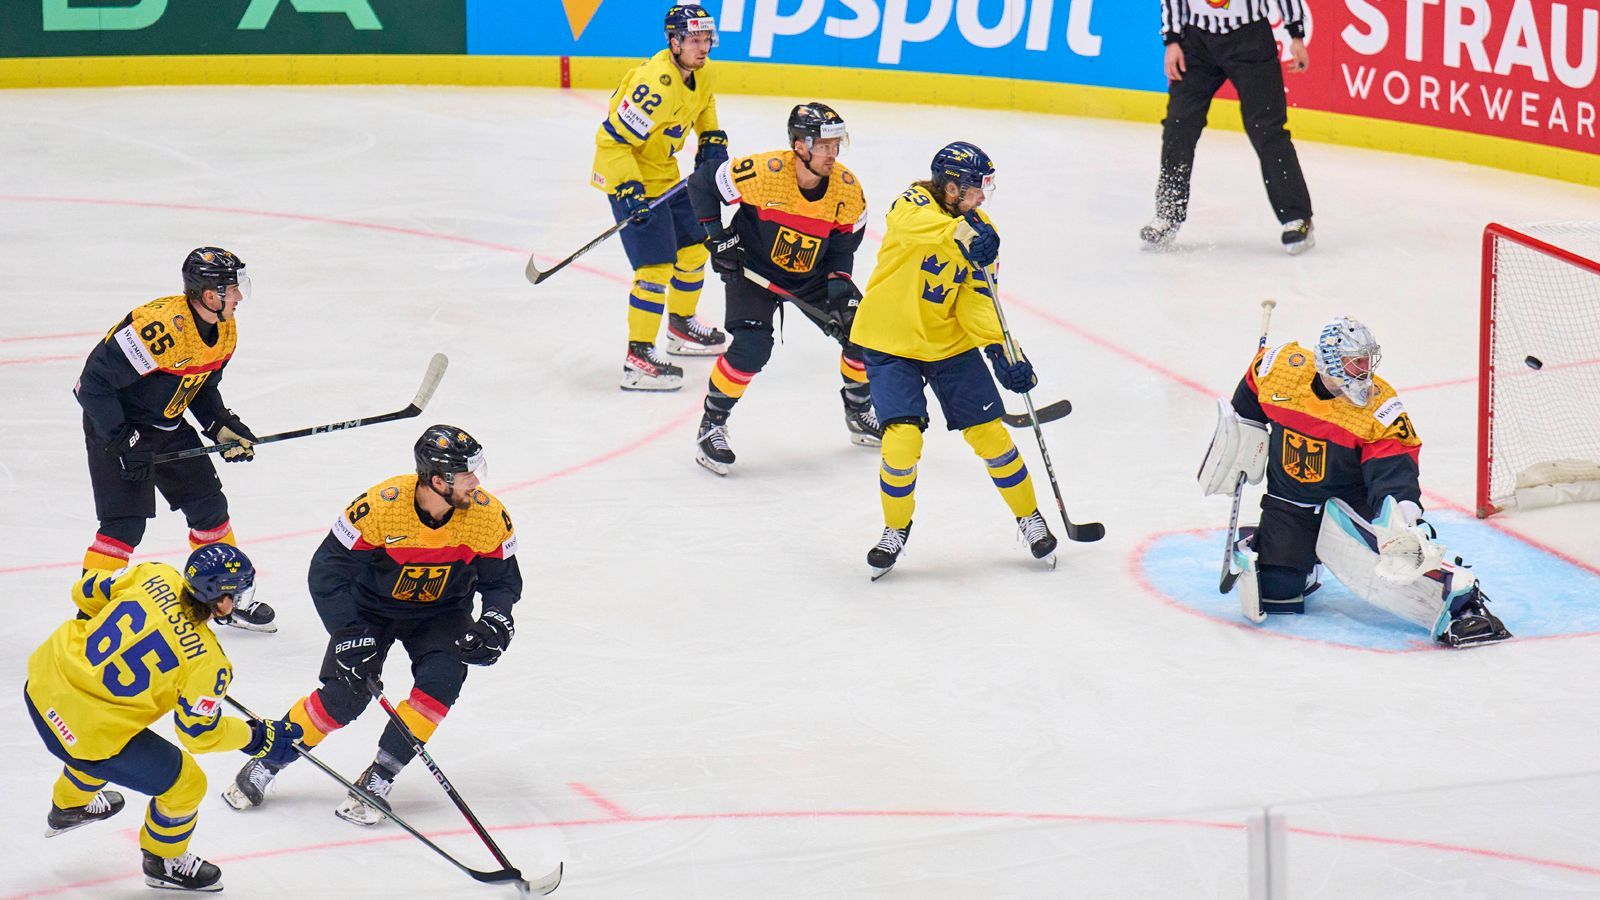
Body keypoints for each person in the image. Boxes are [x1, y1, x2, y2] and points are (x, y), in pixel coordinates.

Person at [224, 425, 522, 824]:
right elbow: (327, 572)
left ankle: (380, 775)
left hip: (441, 613)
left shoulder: (487, 517)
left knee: (442, 681)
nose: (477, 483)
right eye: (468, 474)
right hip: (371, 610)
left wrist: (495, 621)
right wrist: (347, 632)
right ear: (437, 480)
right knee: (344, 695)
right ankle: (270, 758)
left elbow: (502, 580)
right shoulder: (380, 508)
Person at [1199, 317, 1511, 646]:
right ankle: (1295, 559)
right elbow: (1250, 392)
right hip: (1290, 502)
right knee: (1278, 595)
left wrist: (1401, 515)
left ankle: (1463, 605)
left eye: (1367, 360)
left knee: (1396, 560)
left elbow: (1394, 466)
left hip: (1347, 505)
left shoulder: (1379, 405)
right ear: (1329, 363)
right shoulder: (1281, 370)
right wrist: (1241, 441)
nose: (1365, 370)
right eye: (1355, 361)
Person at [24, 545, 302, 891]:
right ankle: (164, 860)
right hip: (83, 732)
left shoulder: (155, 574)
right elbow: (199, 735)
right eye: (236, 592)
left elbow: (84, 591)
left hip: (42, 683)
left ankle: (69, 806)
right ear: (221, 600)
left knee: (106, 736)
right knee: (186, 783)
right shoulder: (209, 664)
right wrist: (256, 736)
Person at [848, 142, 1058, 578]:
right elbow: (914, 227)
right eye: (977, 189)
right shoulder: (913, 203)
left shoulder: (984, 233)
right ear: (950, 187)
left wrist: (1004, 351)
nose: (983, 197)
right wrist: (964, 237)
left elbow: (979, 301)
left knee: (991, 438)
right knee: (901, 442)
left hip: (949, 345)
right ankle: (895, 529)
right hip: (891, 343)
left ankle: (1030, 517)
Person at [73, 246, 276, 632]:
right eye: (232, 290)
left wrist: (220, 425)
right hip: (115, 425)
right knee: (124, 526)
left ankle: (222, 599)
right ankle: (88, 618)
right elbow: (92, 385)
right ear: (209, 295)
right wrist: (120, 439)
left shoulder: (224, 328)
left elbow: (200, 387)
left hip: (166, 425)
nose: (239, 297)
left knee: (211, 512)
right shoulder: (160, 329)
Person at [686, 101, 877, 474]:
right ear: (799, 146)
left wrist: (839, 282)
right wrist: (718, 237)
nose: (832, 154)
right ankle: (712, 424)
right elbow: (702, 184)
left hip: (811, 275)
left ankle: (858, 410)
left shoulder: (847, 188)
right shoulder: (764, 172)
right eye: (823, 146)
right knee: (753, 347)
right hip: (753, 269)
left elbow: (842, 244)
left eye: (835, 145)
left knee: (864, 331)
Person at [591, 3, 730, 391]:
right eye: (694, 40)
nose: (703, 48)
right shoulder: (653, 86)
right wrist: (628, 189)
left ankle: (681, 326)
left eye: (707, 40)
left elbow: (704, 104)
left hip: (666, 175)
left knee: (694, 249)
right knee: (654, 268)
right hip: (630, 177)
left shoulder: (702, 71)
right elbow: (611, 142)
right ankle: (638, 357)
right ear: (674, 41)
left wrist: (712, 138)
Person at [1142, 0, 1315, 254]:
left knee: (1267, 129)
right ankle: (1168, 214)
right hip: (1197, 43)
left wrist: (1296, 35)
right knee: (1179, 125)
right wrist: (1172, 40)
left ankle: (1297, 217)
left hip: (1250, 41)